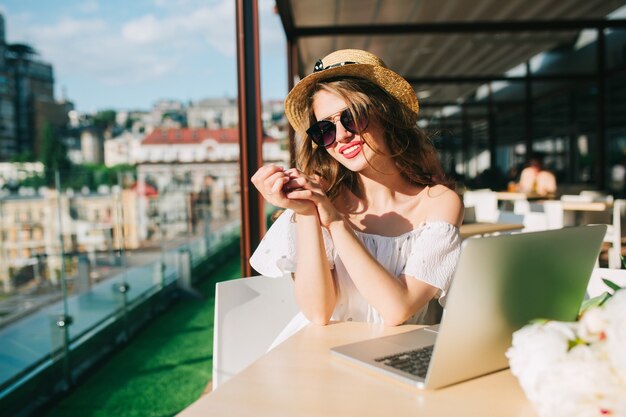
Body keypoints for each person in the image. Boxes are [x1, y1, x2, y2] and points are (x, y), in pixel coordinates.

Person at [250, 49, 463, 346]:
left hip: (396, 358)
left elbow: (396, 309)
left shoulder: (438, 202)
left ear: (384, 114)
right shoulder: (322, 199)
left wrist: (336, 223)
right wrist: (308, 213)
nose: (340, 136)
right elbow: (318, 312)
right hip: (321, 354)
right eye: (324, 129)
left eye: (351, 118)